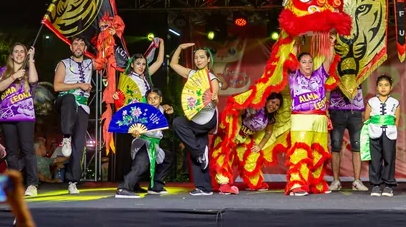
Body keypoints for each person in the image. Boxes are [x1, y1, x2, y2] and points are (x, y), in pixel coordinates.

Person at [170, 43, 221, 196]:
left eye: (201, 57)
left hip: (207, 118)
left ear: (208, 60)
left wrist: (214, 97)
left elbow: (215, 96)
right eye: (196, 57)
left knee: (178, 122)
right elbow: (173, 64)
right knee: (196, 153)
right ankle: (204, 188)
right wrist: (179, 48)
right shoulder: (191, 74)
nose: (198, 60)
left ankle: (199, 152)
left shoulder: (212, 78)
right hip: (195, 119)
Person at [286, 48, 335, 196]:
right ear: (298, 64)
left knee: (318, 152)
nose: (307, 64)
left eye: (310, 61)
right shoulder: (293, 76)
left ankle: (316, 183)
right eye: (304, 62)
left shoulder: (319, 75)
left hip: (319, 118)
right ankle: (297, 184)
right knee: (300, 151)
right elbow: (290, 57)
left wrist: (331, 45)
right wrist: (293, 38)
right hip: (301, 118)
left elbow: (328, 60)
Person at [214, 92, 283, 194]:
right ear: (267, 100)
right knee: (224, 156)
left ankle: (254, 183)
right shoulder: (255, 107)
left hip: (244, 138)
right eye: (272, 102)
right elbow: (237, 112)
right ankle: (224, 183)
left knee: (252, 155)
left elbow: (269, 132)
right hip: (231, 134)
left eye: (277, 105)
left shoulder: (270, 118)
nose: (274, 106)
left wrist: (260, 146)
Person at [0, 42, 39, 196]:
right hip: (7, 116)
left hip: (25, 116)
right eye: (16, 51)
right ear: (12, 55)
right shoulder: (3, 71)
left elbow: (34, 80)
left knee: (28, 150)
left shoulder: (28, 71)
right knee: (12, 152)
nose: (19, 54)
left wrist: (32, 59)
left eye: (22, 52)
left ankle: (33, 184)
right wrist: (14, 76)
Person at [115, 88, 174, 198]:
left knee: (167, 158)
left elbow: (165, 124)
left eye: (155, 98)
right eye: (149, 99)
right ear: (146, 100)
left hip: (155, 145)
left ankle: (156, 187)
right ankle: (124, 188)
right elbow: (133, 125)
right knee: (141, 165)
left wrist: (169, 111)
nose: (152, 101)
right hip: (143, 142)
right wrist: (134, 131)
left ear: (160, 99)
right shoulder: (142, 112)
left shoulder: (162, 109)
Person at [53, 37, 93, 194]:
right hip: (65, 101)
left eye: (82, 44)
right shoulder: (64, 63)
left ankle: (72, 181)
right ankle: (66, 136)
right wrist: (79, 85)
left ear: (84, 48)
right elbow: (57, 86)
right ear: (71, 47)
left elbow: (106, 62)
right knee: (70, 98)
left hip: (82, 105)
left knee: (80, 144)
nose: (78, 46)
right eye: (75, 44)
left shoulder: (90, 63)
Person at [364, 75, 400, 197]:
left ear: (391, 87)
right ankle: (376, 185)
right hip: (374, 132)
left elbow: (397, 120)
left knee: (389, 159)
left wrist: (390, 128)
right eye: (380, 85)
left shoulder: (395, 102)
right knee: (375, 159)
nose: (383, 88)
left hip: (389, 133)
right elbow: (366, 118)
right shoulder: (371, 101)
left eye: (386, 85)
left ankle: (389, 185)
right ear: (376, 87)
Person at [328, 86, 367, 192]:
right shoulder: (333, 69)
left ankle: (357, 181)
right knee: (335, 145)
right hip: (336, 108)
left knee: (357, 145)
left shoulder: (359, 69)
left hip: (355, 108)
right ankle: (336, 181)